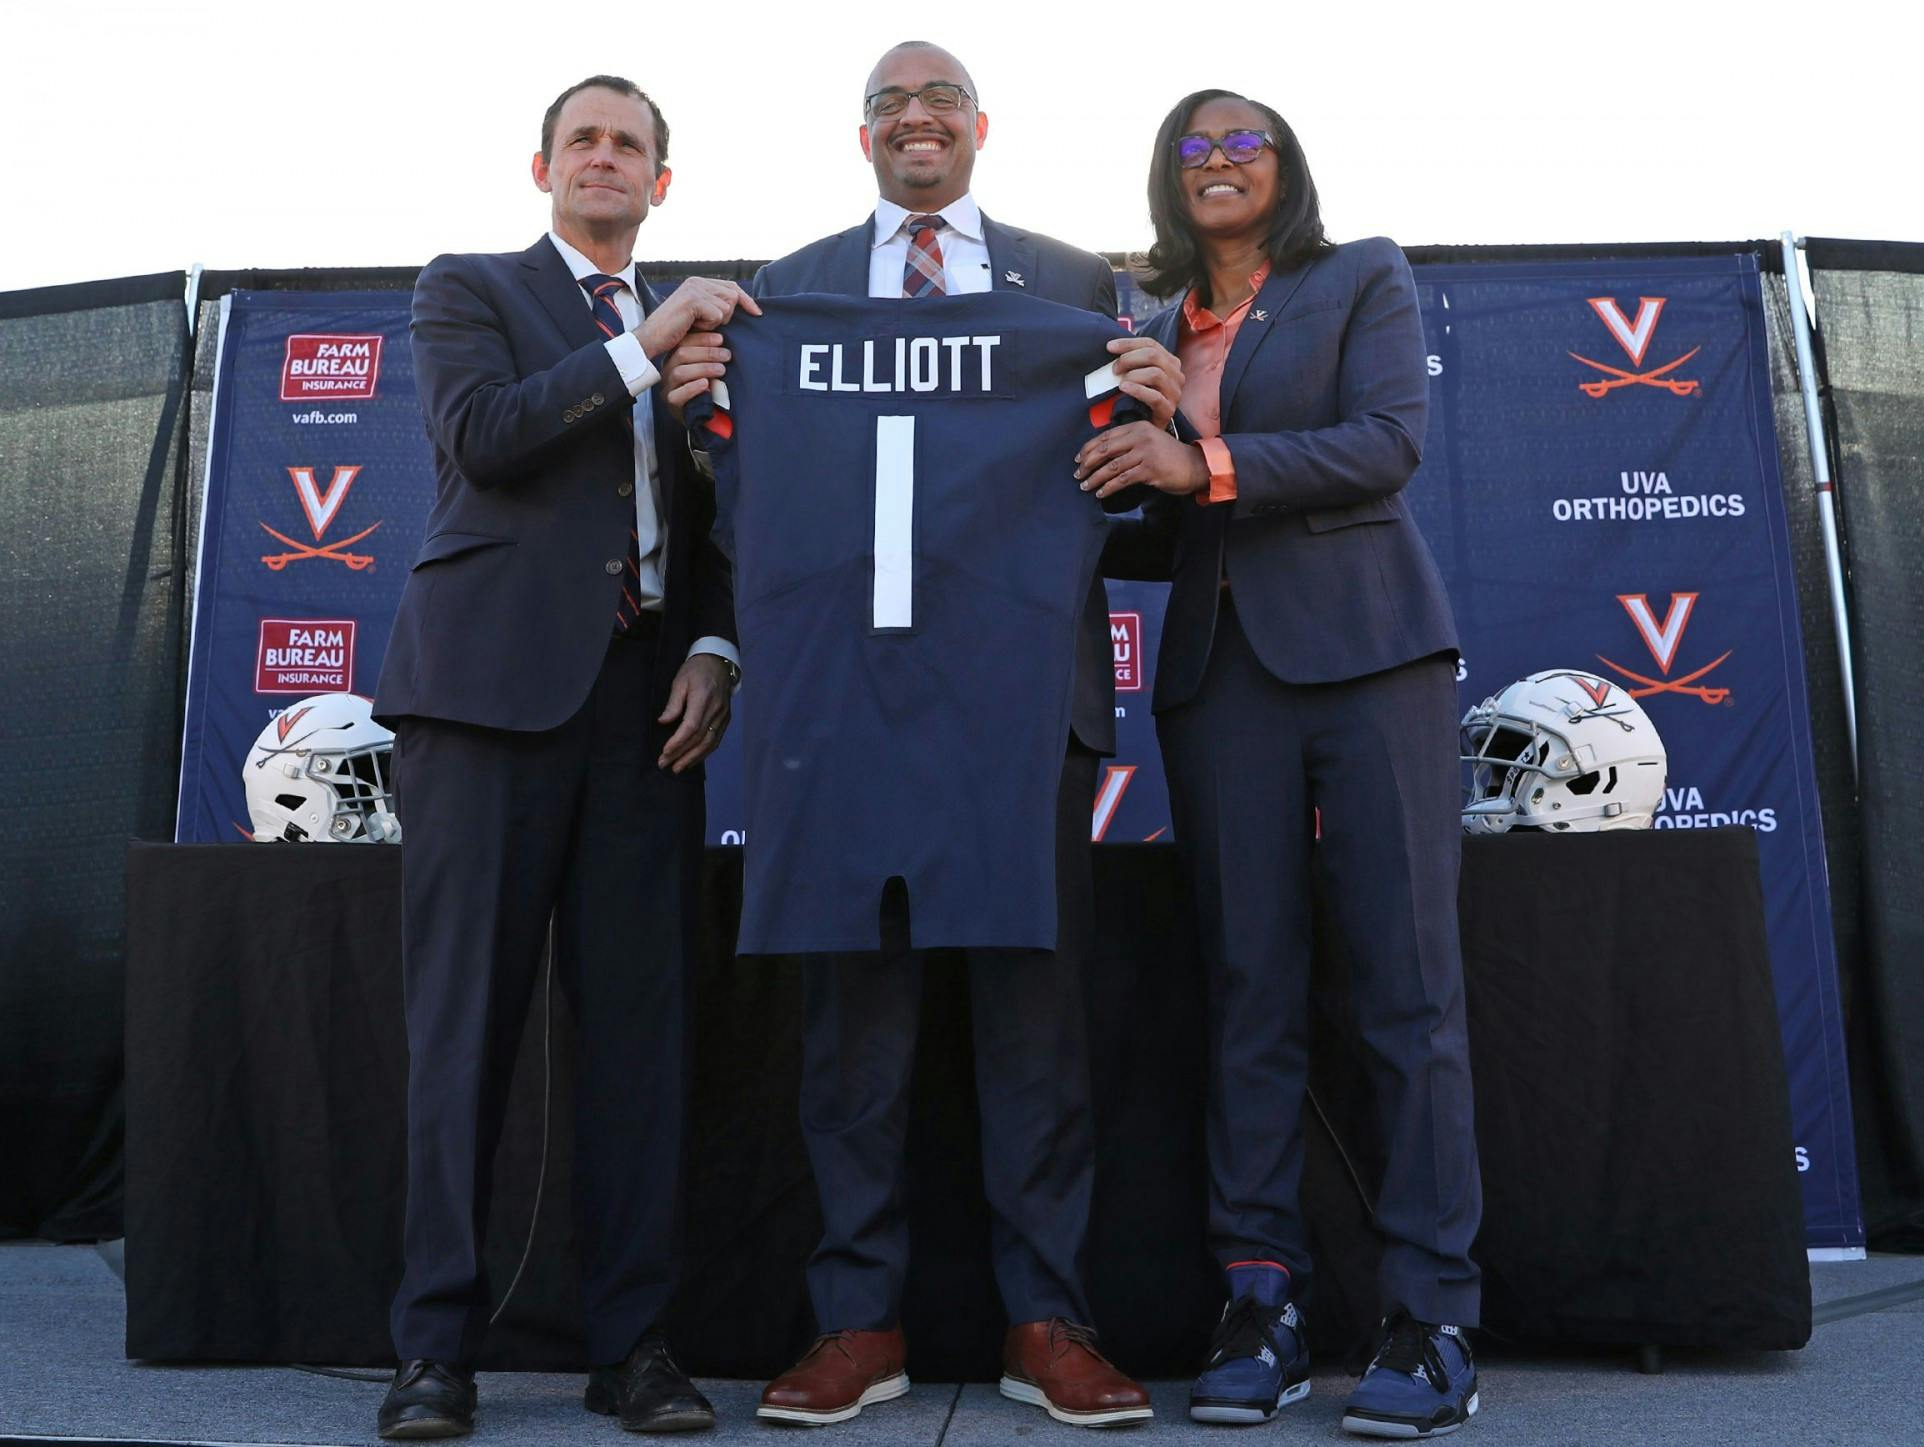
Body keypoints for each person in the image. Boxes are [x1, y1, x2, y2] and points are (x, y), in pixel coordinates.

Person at [659, 40, 1178, 1431]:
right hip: (844, 710)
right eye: (890, 102)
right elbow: (739, 513)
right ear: (863, 136)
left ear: (982, 127)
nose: (917, 119)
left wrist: (1157, 422)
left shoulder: (1072, 287)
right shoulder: (791, 291)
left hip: (1018, 718)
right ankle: (856, 1323)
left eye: (940, 98)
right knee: (853, 1037)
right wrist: (706, 408)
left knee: (1034, 1027)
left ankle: (1049, 1319)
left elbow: (1123, 504)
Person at [1083, 90, 1483, 1438]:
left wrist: (1194, 459)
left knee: (1405, 992)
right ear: (1165, 181)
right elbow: (1148, 522)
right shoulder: (1138, 324)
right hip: (1215, 680)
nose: (1216, 161)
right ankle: (1261, 1300)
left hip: (1371, 662)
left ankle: (1431, 1318)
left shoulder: (1360, 275)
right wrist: (1085, 484)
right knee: (1249, 995)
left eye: (1241, 140)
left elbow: (1386, 447)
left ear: (1285, 167)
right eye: (1191, 148)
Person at [370, 74, 757, 1439]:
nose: (606, 158)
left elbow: (721, 518)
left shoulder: (703, 342)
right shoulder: (466, 288)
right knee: (462, 1032)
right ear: (544, 169)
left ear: (664, 182)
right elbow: (483, 437)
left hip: (647, 713)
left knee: (643, 1045)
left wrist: (717, 649)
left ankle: (634, 1347)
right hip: (482, 706)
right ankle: (433, 1351)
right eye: (583, 139)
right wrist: (642, 347)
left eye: (631, 145)